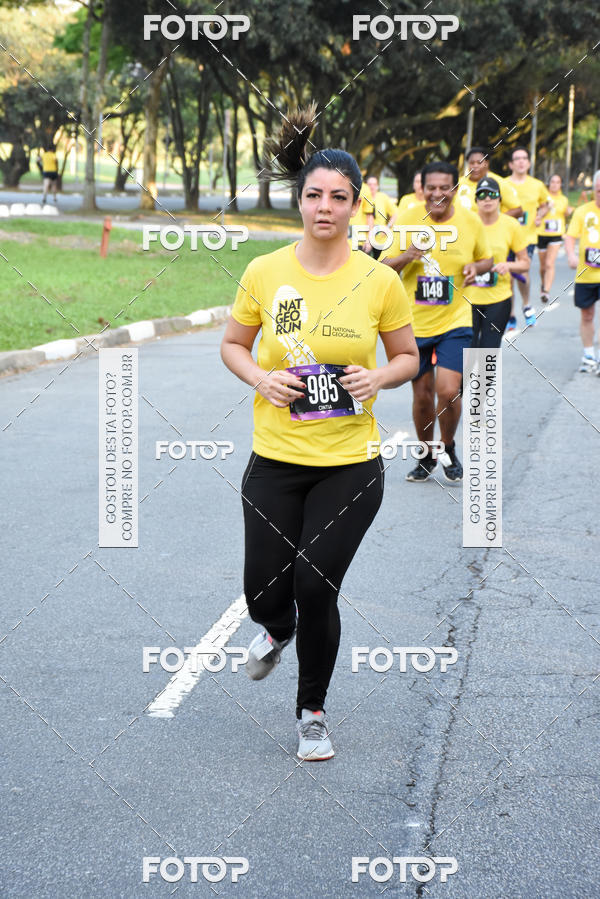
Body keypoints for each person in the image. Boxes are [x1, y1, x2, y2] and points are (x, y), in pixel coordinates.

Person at [221, 106, 419, 762]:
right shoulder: (265, 271)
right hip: (275, 459)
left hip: (351, 463)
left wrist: (378, 376)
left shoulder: (379, 280)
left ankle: (312, 712)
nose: (324, 207)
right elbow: (233, 345)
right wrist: (261, 378)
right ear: (300, 201)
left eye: (338, 197)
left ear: (356, 205)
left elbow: (408, 357)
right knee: (264, 591)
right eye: (314, 195)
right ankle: (274, 629)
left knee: (315, 584)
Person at [381, 161, 493, 482]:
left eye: (445, 187)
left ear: (455, 189)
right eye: (431, 187)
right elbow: (383, 266)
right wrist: (407, 256)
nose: (438, 193)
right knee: (422, 395)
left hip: (455, 320)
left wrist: (475, 268)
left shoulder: (470, 221)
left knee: (448, 391)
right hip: (413, 324)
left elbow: (486, 258)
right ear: (422, 188)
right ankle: (426, 454)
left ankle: (447, 446)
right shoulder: (407, 219)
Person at [465, 177, 531, 347]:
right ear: (476, 200)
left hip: (498, 299)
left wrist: (508, 265)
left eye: (492, 195)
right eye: (482, 195)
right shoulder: (466, 224)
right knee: (468, 351)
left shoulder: (511, 225)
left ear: (500, 199)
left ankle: (484, 368)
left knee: (488, 350)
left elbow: (525, 263)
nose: (487, 199)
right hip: (467, 299)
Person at [505, 146, 551, 330]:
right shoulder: (503, 184)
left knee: (522, 273)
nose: (521, 161)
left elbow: (545, 205)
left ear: (529, 163)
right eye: (517, 158)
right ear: (511, 164)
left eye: (524, 158)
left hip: (527, 237)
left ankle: (526, 304)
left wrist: (540, 215)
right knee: (508, 276)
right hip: (505, 237)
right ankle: (510, 314)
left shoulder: (537, 185)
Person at [565, 169, 600, 372]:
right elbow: (570, 237)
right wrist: (571, 255)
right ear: (594, 189)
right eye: (599, 190)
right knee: (587, 315)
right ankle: (588, 355)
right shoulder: (582, 211)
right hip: (586, 275)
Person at [457, 147, 523, 219]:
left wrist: (494, 220)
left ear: (486, 163)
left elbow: (517, 210)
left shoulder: (498, 182)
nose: (475, 166)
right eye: (472, 163)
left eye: (479, 162)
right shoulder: (458, 183)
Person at [537, 173, 573, 303]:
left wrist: (568, 212)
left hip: (556, 235)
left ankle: (546, 291)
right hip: (542, 233)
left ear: (560, 184)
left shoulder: (563, 199)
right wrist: (547, 207)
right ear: (549, 183)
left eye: (558, 182)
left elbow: (565, 214)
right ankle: (543, 284)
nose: (555, 185)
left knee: (549, 263)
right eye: (553, 182)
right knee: (543, 266)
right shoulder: (543, 197)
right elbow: (539, 214)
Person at [362, 174, 398, 258]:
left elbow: (395, 213)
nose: (372, 187)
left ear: (377, 186)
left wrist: (387, 227)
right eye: (370, 184)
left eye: (374, 184)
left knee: (380, 261)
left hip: (380, 237)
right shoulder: (362, 198)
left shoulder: (383, 197)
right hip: (365, 237)